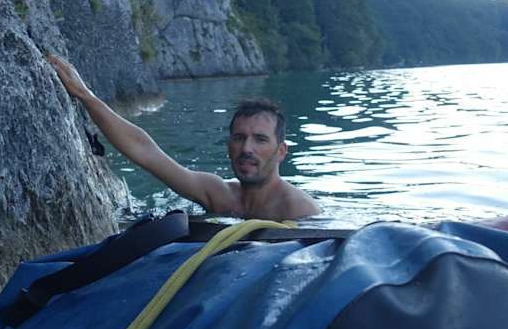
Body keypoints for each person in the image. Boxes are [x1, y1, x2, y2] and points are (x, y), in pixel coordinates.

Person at [46, 54, 321, 221]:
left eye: (260, 140)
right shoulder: (219, 195)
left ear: (281, 151)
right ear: (228, 147)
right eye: (239, 138)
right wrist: (84, 95)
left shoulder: (299, 209)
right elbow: (146, 152)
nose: (246, 148)